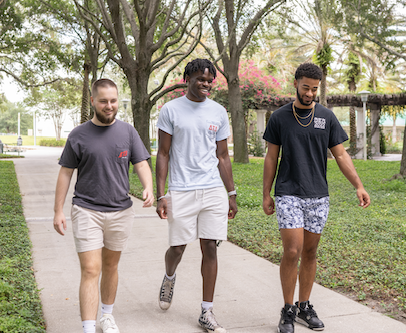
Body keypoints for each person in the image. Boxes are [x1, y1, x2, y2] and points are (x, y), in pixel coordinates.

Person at [262, 63, 371, 333]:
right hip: (288, 192)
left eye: (314, 89)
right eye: (305, 87)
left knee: (310, 252)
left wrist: (358, 185)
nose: (309, 93)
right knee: (292, 250)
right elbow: (271, 157)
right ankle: (287, 310)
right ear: (296, 84)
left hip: (318, 194)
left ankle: (304, 306)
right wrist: (266, 192)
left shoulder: (326, 117)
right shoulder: (279, 117)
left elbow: (341, 154)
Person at [53, 78, 154, 333]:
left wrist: (148, 187)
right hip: (87, 209)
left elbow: (141, 163)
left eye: (113, 101)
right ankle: (88, 327)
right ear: (93, 102)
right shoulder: (78, 135)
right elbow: (65, 173)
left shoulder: (128, 132)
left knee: (111, 266)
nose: (109, 106)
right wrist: (58, 211)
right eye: (103, 101)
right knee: (90, 268)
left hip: (121, 210)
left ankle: (106, 316)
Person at [156, 58, 238, 333]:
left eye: (209, 80)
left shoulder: (218, 112)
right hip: (181, 189)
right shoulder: (171, 110)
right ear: (187, 78)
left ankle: (206, 311)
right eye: (200, 79)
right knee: (178, 248)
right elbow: (163, 153)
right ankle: (169, 277)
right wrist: (161, 194)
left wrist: (231, 193)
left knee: (210, 247)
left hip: (213, 189)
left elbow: (223, 155)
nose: (205, 84)